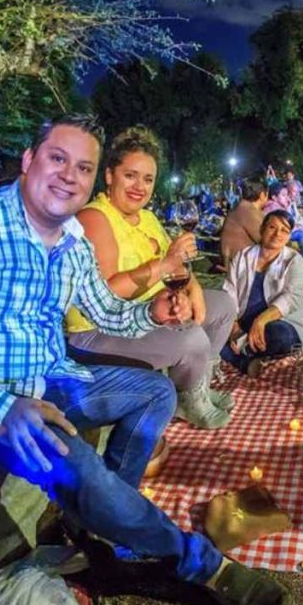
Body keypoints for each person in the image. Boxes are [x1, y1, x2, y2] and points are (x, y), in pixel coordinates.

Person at [0, 114, 290, 605]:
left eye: (83, 167)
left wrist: (152, 311)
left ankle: (105, 530)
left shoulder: (70, 241)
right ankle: (200, 563)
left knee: (155, 394)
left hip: (52, 380)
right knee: (84, 472)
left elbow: (108, 308)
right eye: (57, 158)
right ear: (29, 160)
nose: (69, 176)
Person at [65, 126, 236, 430]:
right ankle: (188, 398)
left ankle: (197, 385)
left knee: (222, 304)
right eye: (130, 175)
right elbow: (107, 295)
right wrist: (163, 266)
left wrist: (192, 288)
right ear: (109, 175)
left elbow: (177, 265)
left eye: (147, 179)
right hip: (96, 331)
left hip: (147, 309)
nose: (139, 187)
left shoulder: (147, 218)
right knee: (191, 337)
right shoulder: (94, 219)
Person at [221, 210, 303, 375]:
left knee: (281, 335)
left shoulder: (294, 260)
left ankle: (240, 354)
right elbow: (229, 292)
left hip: (276, 323)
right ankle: (246, 361)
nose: (278, 234)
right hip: (242, 324)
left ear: (289, 235)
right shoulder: (243, 256)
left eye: (284, 230)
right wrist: (234, 326)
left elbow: (291, 298)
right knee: (210, 331)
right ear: (262, 229)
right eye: (272, 227)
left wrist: (261, 321)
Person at [220, 179, 268, 270]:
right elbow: (267, 241)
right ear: (262, 195)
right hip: (239, 269)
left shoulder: (242, 208)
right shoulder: (248, 211)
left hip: (241, 264)